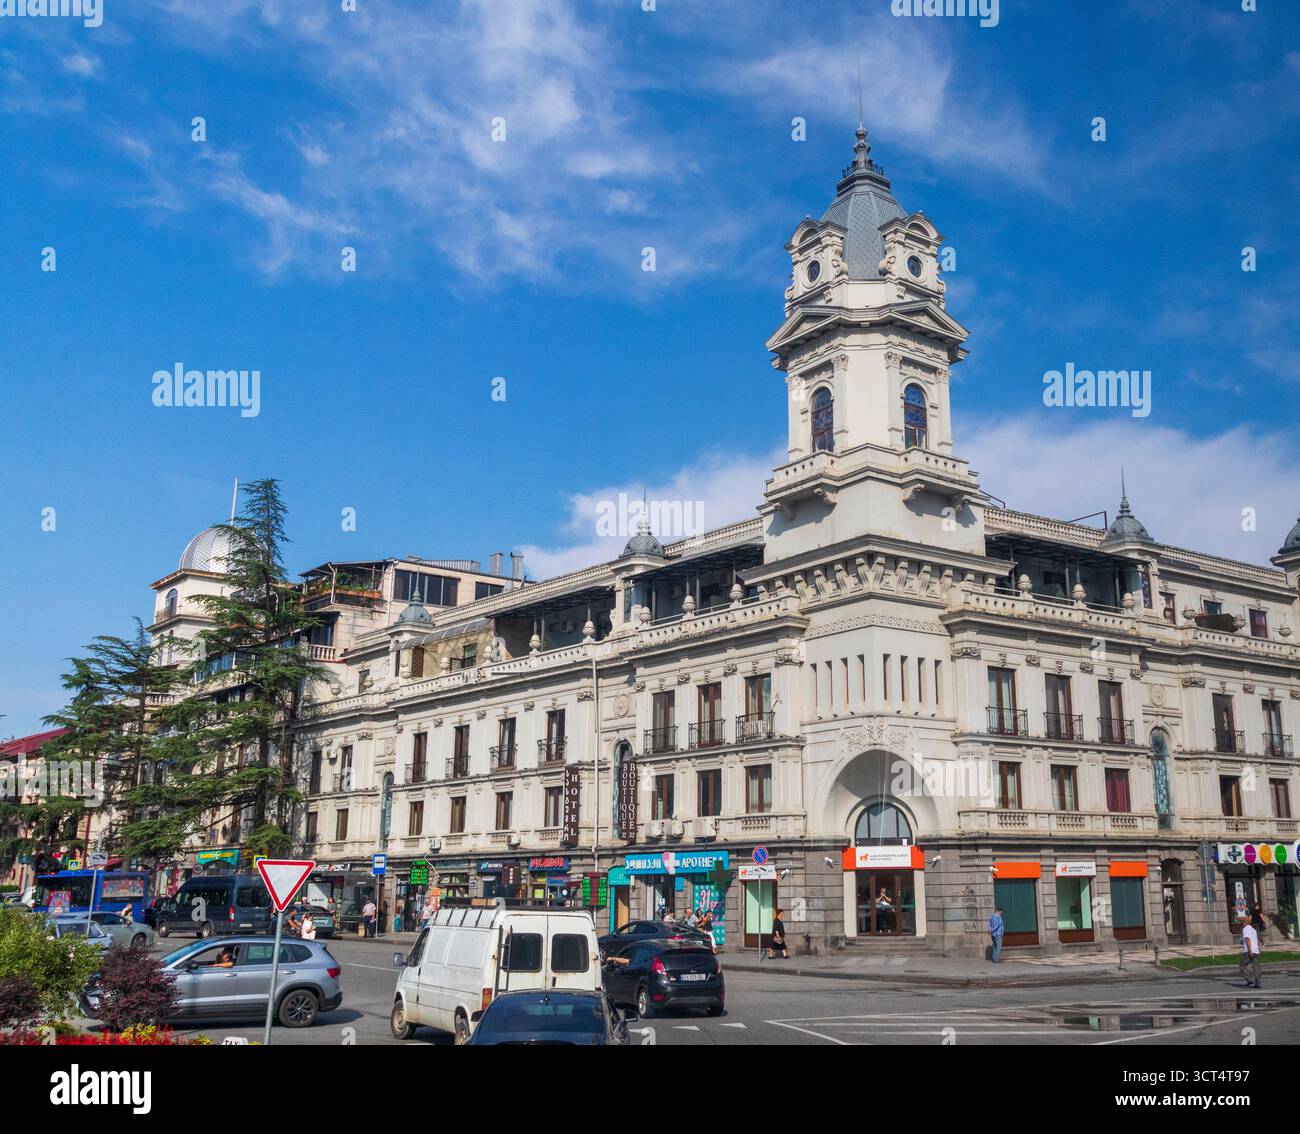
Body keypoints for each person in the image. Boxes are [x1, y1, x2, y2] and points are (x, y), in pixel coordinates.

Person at [1240, 916, 1262, 989]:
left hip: (1249, 951)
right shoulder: (1253, 929)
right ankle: (1258, 983)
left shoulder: (1246, 929)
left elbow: (1248, 940)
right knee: (1256, 967)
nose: (1241, 924)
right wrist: (1258, 948)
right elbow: (1257, 939)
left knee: (1242, 966)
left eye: (1241, 922)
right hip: (1256, 950)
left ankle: (1250, 980)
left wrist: (1249, 951)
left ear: (1244, 923)